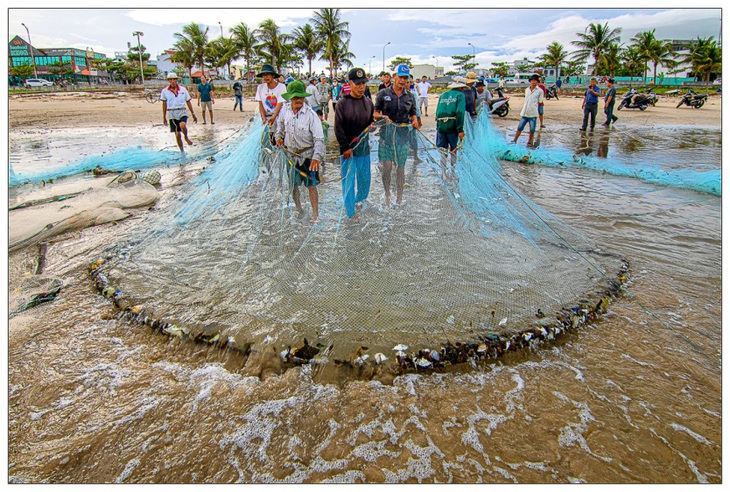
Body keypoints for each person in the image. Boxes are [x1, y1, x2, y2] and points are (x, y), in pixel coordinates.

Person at [275, 80, 325, 223]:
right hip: (291, 155)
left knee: (312, 185)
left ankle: (315, 215)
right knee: (293, 184)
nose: (299, 100)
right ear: (290, 97)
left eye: (301, 97)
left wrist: (317, 158)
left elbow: (319, 139)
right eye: (295, 97)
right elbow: (280, 128)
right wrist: (279, 138)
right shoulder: (285, 110)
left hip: (308, 156)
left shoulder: (311, 115)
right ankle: (298, 208)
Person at [373, 63, 420, 206]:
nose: (403, 80)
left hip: (402, 137)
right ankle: (387, 195)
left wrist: (415, 120)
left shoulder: (410, 97)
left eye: (405, 78)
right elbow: (375, 113)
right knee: (386, 167)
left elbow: (413, 114)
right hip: (386, 136)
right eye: (400, 77)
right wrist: (383, 118)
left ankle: (399, 198)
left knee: (401, 168)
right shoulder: (383, 94)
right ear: (394, 77)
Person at [335, 67, 374, 220]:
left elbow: (370, 122)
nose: (361, 87)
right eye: (357, 84)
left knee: (365, 179)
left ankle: (360, 202)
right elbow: (338, 128)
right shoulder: (342, 104)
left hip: (364, 149)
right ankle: (350, 212)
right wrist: (345, 147)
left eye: (363, 83)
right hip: (348, 150)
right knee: (349, 181)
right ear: (350, 84)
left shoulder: (369, 103)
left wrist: (372, 127)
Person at [159, 72, 198, 152]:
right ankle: (182, 151)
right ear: (169, 81)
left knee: (182, 125)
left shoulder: (183, 90)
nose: (172, 81)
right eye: (171, 79)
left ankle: (186, 137)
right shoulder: (165, 91)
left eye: (174, 79)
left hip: (182, 110)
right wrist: (164, 117)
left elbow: (188, 101)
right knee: (177, 134)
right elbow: (164, 104)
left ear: (177, 80)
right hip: (172, 113)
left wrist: (193, 114)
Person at [435, 81, 466, 167]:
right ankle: (453, 169)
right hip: (452, 126)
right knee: (453, 148)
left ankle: (443, 171)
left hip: (441, 125)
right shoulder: (460, 95)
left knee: (443, 150)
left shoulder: (443, 95)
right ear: (460, 88)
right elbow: (460, 112)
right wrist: (460, 129)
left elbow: (438, 112)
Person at [254, 64, 287, 145]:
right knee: (265, 142)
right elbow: (260, 103)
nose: (266, 77)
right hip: (266, 118)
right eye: (264, 75)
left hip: (278, 117)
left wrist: (274, 116)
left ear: (273, 75)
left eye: (268, 74)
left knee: (278, 140)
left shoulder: (281, 87)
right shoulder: (260, 87)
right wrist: (263, 118)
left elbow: (280, 103)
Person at [511, 74, 543, 147]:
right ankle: (515, 140)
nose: (533, 82)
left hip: (533, 113)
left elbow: (540, 101)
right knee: (519, 128)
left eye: (535, 80)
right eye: (532, 80)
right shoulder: (527, 89)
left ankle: (529, 142)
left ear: (537, 82)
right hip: (525, 112)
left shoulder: (540, 91)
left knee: (532, 129)